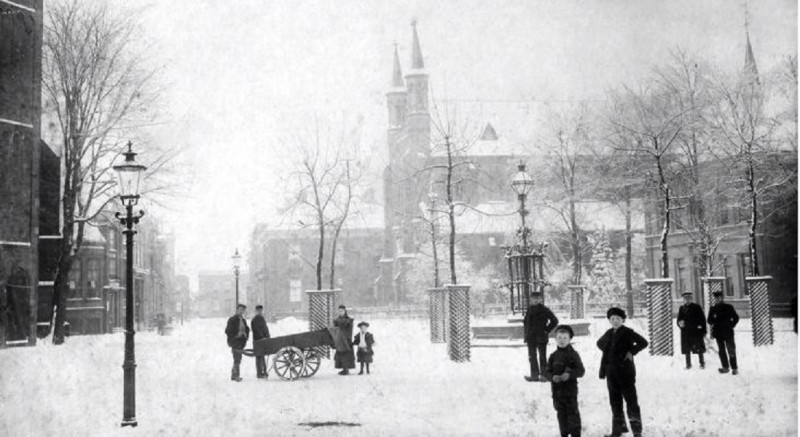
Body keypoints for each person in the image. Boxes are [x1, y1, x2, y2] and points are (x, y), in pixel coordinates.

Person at [597, 307, 648, 437]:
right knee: (615, 402)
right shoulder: (609, 333)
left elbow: (643, 342)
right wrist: (609, 351)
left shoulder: (628, 332)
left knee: (631, 402)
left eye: (618, 319)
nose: (615, 321)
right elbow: (599, 343)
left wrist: (631, 352)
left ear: (623, 320)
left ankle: (637, 432)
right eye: (612, 319)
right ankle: (617, 431)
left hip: (625, 373)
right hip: (611, 373)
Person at [546, 325, 584, 437]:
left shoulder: (573, 355)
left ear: (569, 339)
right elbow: (547, 372)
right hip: (557, 391)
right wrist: (552, 377)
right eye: (559, 338)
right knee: (561, 413)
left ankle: (575, 434)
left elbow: (581, 371)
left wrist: (569, 374)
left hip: (570, 390)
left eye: (564, 338)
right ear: (555, 339)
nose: (562, 340)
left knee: (572, 413)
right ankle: (564, 434)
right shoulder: (553, 356)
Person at [523, 291, 559, 382]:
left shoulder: (545, 309)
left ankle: (544, 375)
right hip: (531, 337)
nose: (535, 300)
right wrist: (526, 335)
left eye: (537, 298)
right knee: (532, 356)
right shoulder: (529, 309)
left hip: (541, 336)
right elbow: (526, 323)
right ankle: (534, 375)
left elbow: (554, 320)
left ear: (540, 299)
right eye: (533, 298)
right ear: (531, 299)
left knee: (542, 357)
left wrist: (546, 330)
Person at [707, 291, 740, 375]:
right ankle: (725, 367)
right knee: (721, 351)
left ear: (722, 298)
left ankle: (734, 368)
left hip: (728, 332)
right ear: (714, 299)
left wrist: (731, 325)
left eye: (719, 297)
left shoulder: (728, 307)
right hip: (718, 333)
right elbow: (709, 321)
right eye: (716, 298)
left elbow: (736, 317)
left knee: (731, 350)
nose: (718, 299)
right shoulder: (713, 308)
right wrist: (713, 318)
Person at [677, 292, 707, 369]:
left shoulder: (697, 307)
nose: (687, 300)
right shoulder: (682, 308)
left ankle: (702, 363)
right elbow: (679, 319)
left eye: (689, 298)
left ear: (691, 299)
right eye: (685, 298)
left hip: (696, 331)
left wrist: (703, 330)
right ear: (683, 299)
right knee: (687, 349)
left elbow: (702, 319)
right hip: (686, 332)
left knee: (699, 348)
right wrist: (680, 324)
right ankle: (688, 364)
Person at [224, 304, 250, 382]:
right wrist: (236, 335)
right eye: (240, 309)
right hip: (235, 341)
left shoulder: (243, 320)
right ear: (237, 310)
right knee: (237, 358)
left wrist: (245, 334)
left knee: (237, 358)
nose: (241, 311)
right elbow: (227, 331)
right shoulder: (232, 319)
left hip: (241, 341)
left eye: (243, 310)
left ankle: (233, 375)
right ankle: (236, 376)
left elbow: (247, 329)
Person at [332, 305, 355, 375]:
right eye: (339, 311)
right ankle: (343, 368)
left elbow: (348, 330)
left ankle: (346, 369)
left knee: (346, 355)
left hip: (346, 340)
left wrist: (347, 338)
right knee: (340, 355)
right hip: (340, 340)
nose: (340, 312)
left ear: (345, 311)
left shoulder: (348, 320)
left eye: (342, 311)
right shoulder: (337, 320)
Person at [251, 305, 271, 379]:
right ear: (256, 311)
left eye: (261, 311)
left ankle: (264, 371)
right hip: (258, 340)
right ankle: (259, 373)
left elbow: (265, 328)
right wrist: (262, 337)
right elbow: (256, 330)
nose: (260, 312)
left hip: (263, 340)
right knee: (259, 357)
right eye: (258, 311)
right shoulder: (254, 320)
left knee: (262, 356)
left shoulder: (262, 319)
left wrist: (268, 336)